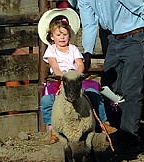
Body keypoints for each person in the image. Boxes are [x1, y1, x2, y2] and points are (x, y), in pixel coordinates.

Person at [77, 0, 144, 153]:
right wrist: (87, 52)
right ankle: (118, 134)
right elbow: (89, 24)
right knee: (107, 88)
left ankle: (130, 140)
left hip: (135, 35)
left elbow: (140, 6)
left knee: (131, 88)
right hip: (114, 38)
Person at [38, 8, 117, 144]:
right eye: (58, 35)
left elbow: (80, 64)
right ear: (51, 36)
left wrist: (77, 74)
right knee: (47, 101)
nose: (62, 38)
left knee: (93, 93)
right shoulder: (51, 50)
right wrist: (63, 76)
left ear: (70, 35)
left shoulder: (73, 49)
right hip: (60, 80)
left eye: (65, 34)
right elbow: (55, 66)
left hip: (75, 79)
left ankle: (103, 122)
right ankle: (53, 129)